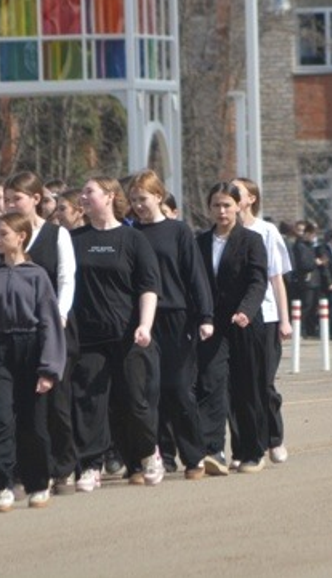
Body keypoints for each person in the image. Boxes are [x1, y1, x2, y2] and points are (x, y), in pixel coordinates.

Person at [0, 211, 66, 512]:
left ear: (20, 236)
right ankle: (4, 484)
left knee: (32, 422)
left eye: (3, 234)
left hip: (30, 349)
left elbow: (48, 323)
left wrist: (48, 368)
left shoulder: (37, 276)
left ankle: (37, 483)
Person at [71, 176, 161, 490]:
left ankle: (149, 453)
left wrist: (145, 325)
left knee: (135, 401)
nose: (83, 196)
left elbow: (149, 286)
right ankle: (90, 465)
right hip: (89, 337)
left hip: (129, 336)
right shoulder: (74, 239)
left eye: (89, 191)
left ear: (109, 196)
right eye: (82, 192)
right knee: (90, 403)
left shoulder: (133, 239)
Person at [128, 170, 215, 482]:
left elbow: (195, 276)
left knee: (178, 389)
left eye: (143, 198)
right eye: (133, 199)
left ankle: (194, 455)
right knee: (149, 391)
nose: (138, 205)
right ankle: (159, 456)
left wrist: (205, 317)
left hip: (177, 317)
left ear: (158, 197)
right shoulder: (130, 233)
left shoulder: (178, 231)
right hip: (141, 321)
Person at [3, 171, 78, 491]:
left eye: (16, 198)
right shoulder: (3, 236)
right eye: (6, 200)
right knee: (21, 403)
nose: (10, 205)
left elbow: (67, 277)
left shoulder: (56, 234)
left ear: (36, 199)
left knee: (57, 402)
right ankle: (26, 469)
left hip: (54, 329)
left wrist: (59, 314)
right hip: (17, 328)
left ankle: (63, 467)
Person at [195, 182, 269, 476]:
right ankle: (213, 449)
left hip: (245, 323)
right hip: (212, 325)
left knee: (246, 387)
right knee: (212, 384)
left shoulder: (251, 240)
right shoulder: (200, 242)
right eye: (216, 205)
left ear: (238, 206)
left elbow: (257, 280)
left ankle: (250, 450)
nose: (222, 211)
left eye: (227, 205)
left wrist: (246, 311)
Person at [232, 177, 292, 469]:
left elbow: (276, 278)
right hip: (234, 317)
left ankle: (274, 437)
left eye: (237, 193)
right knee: (239, 385)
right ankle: (244, 445)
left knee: (264, 382)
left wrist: (285, 319)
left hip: (265, 316)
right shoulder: (225, 233)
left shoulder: (266, 231)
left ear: (251, 199)